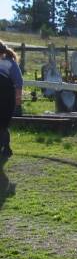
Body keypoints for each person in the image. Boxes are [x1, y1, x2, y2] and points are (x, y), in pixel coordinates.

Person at [0, 41, 23, 196]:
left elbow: (18, 82)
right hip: (5, 95)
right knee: (2, 125)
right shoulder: (8, 63)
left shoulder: (9, 63)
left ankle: (5, 147)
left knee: (2, 124)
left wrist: (18, 99)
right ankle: (6, 147)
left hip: (5, 95)